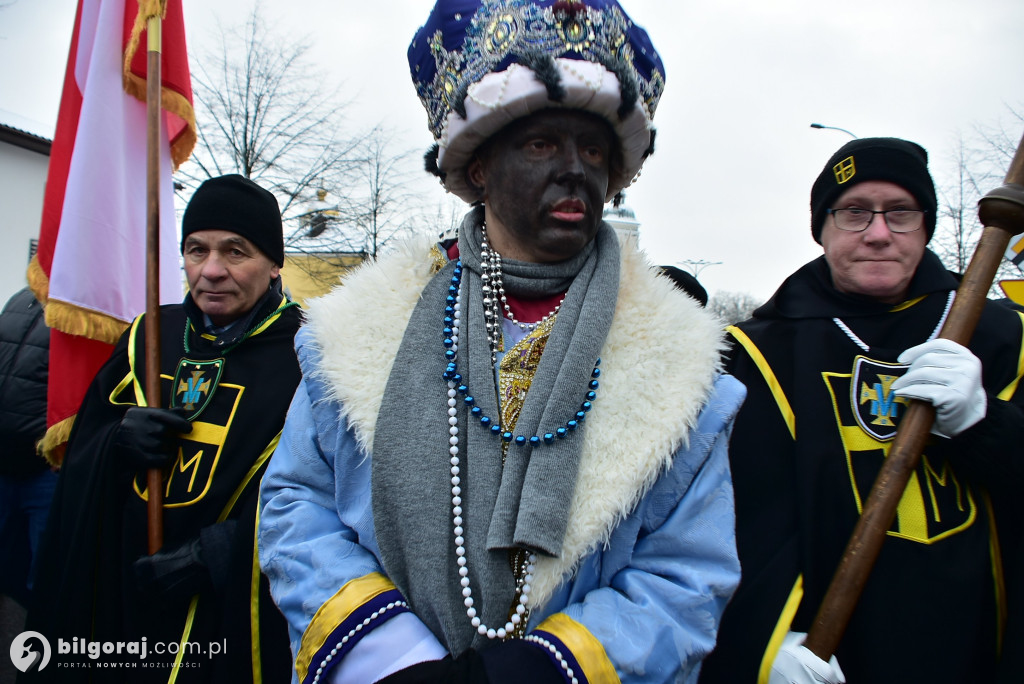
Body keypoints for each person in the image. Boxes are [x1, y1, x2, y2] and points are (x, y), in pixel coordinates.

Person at [257, 1, 746, 682]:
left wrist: (547, 669)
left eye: (595, 149)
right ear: (478, 165)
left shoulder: (684, 372)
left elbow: (686, 575)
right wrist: (388, 654)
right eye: (543, 144)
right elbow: (295, 506)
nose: (577, 169)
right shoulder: (358, 335)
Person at [698, 138, 1024, 684]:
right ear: (821, 227)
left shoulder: (1004, 339)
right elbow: (731, 520)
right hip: (831, 657)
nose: (877, 233)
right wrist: (761, 639)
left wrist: (984, 426)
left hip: (980, 652)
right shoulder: (755, 355)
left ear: (925, 225)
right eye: (853, 213)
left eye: (900, 212)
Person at [24, 175, 302, 682]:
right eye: (196, 250)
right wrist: (115, 441)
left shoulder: (308, 358)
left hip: (228, 613)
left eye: (235, 251)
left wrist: (226, 551)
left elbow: (327, 492)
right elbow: (84, 454)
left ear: (274, 263)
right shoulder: (150, 337)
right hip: (125, 593)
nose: (211, 271)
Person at [0, 287, 54, 608]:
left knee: (43, 575)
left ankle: (39, 650)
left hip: (46, 470)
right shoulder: (23, 298)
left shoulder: (85, 310)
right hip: (3, 463)